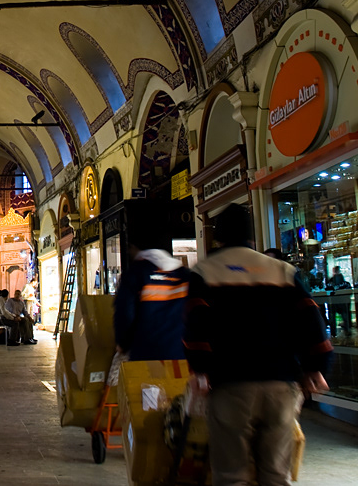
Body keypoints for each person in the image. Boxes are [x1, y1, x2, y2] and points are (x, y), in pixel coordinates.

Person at [185, 203, 331, 486]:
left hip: (231, 386)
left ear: (218, 236)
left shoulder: (205, 272)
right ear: (253, 237)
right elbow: (311, 317)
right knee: (276, 474)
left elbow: (195, 325)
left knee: (232, 475)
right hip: (281, 386)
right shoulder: (282, 271)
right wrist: (317, 366)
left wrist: (200, 370)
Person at [113, 216, 189, 361]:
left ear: (136, 246)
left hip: (146, 355)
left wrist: (122, 343)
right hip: (180, 356)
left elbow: (124, 313)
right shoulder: (184, 274)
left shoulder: (135, 274)